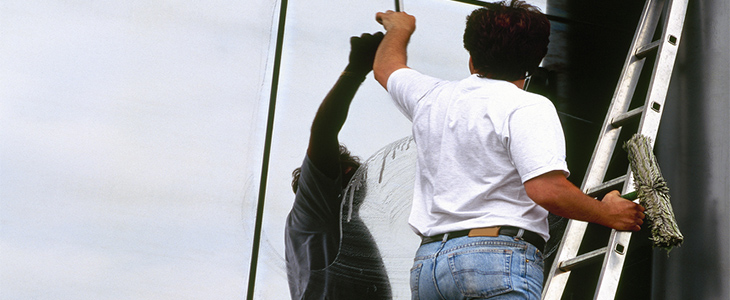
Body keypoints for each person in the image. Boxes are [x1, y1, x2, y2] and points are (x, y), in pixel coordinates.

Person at [372, 1, 646, 299]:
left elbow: (386, 68)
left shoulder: (431, 97)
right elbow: (547, 190)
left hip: (429, 265)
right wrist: (608, 214)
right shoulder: (528, 106)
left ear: (471, 57)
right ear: (535, 61)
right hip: (495, 259)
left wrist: (399, 29)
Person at [285, 32, 389, 300]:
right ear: (343, 173)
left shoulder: (344, 226)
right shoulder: (318, 207)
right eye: (356, 177)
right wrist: (356, 70)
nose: (362, 186)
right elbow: (323, 132)